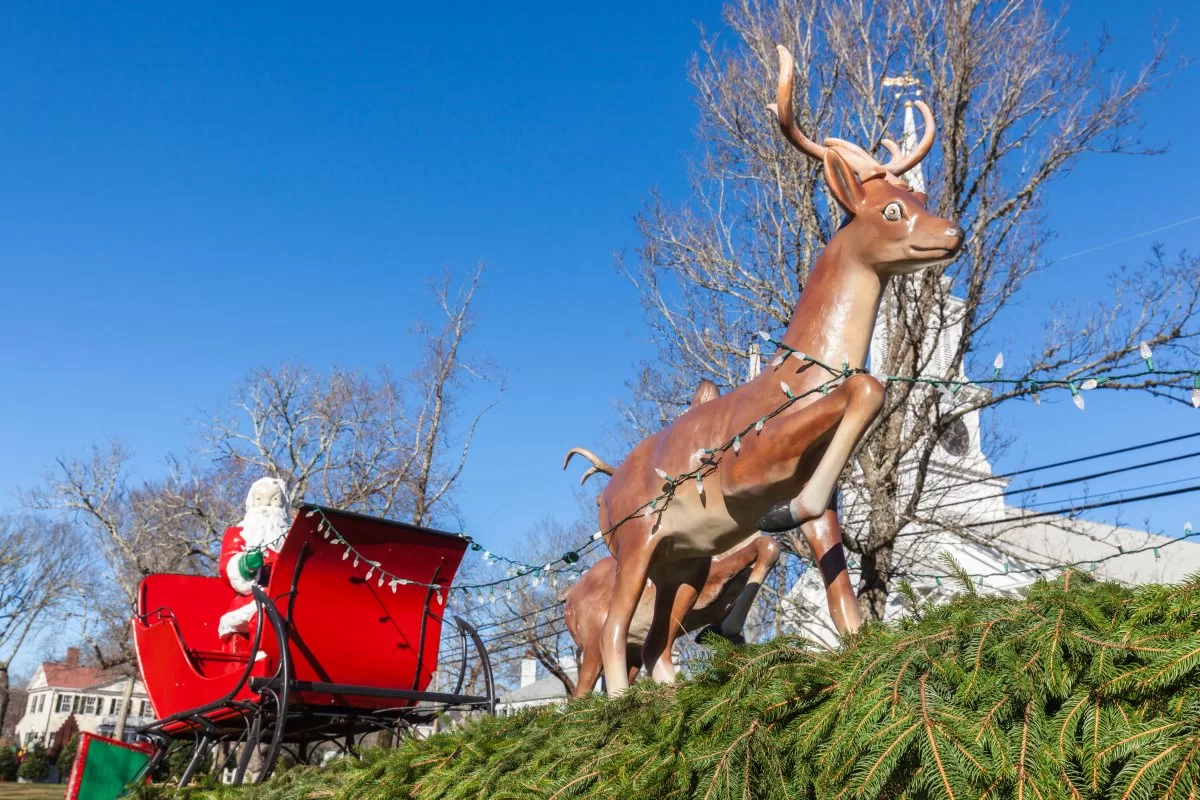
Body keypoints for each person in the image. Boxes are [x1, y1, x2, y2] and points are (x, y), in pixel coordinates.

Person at [217, 477, 291, 653]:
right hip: (253, 598)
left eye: (274, 500)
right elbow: (227, 564)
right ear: (251, 503)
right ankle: (263, 658)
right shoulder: (239, 534)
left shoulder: (291, 536)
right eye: (259, 499)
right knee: (265, 613)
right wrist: (245, 566)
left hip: (288, 595)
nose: (266, 507)